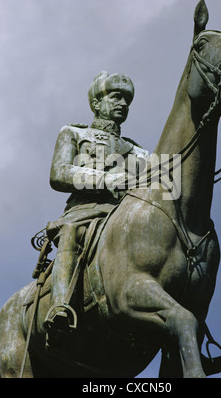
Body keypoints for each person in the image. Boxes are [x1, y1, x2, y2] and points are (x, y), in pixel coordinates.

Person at [44, 71, 149, 349]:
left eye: (127, 99)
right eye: (116, 97)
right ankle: (60, 307)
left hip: (122, 219)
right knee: (71, 233)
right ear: (96, 104)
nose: (123, 103)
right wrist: (106, 179)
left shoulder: (140, 152)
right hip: (84, 213)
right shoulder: (74, 133)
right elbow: (59, 174)